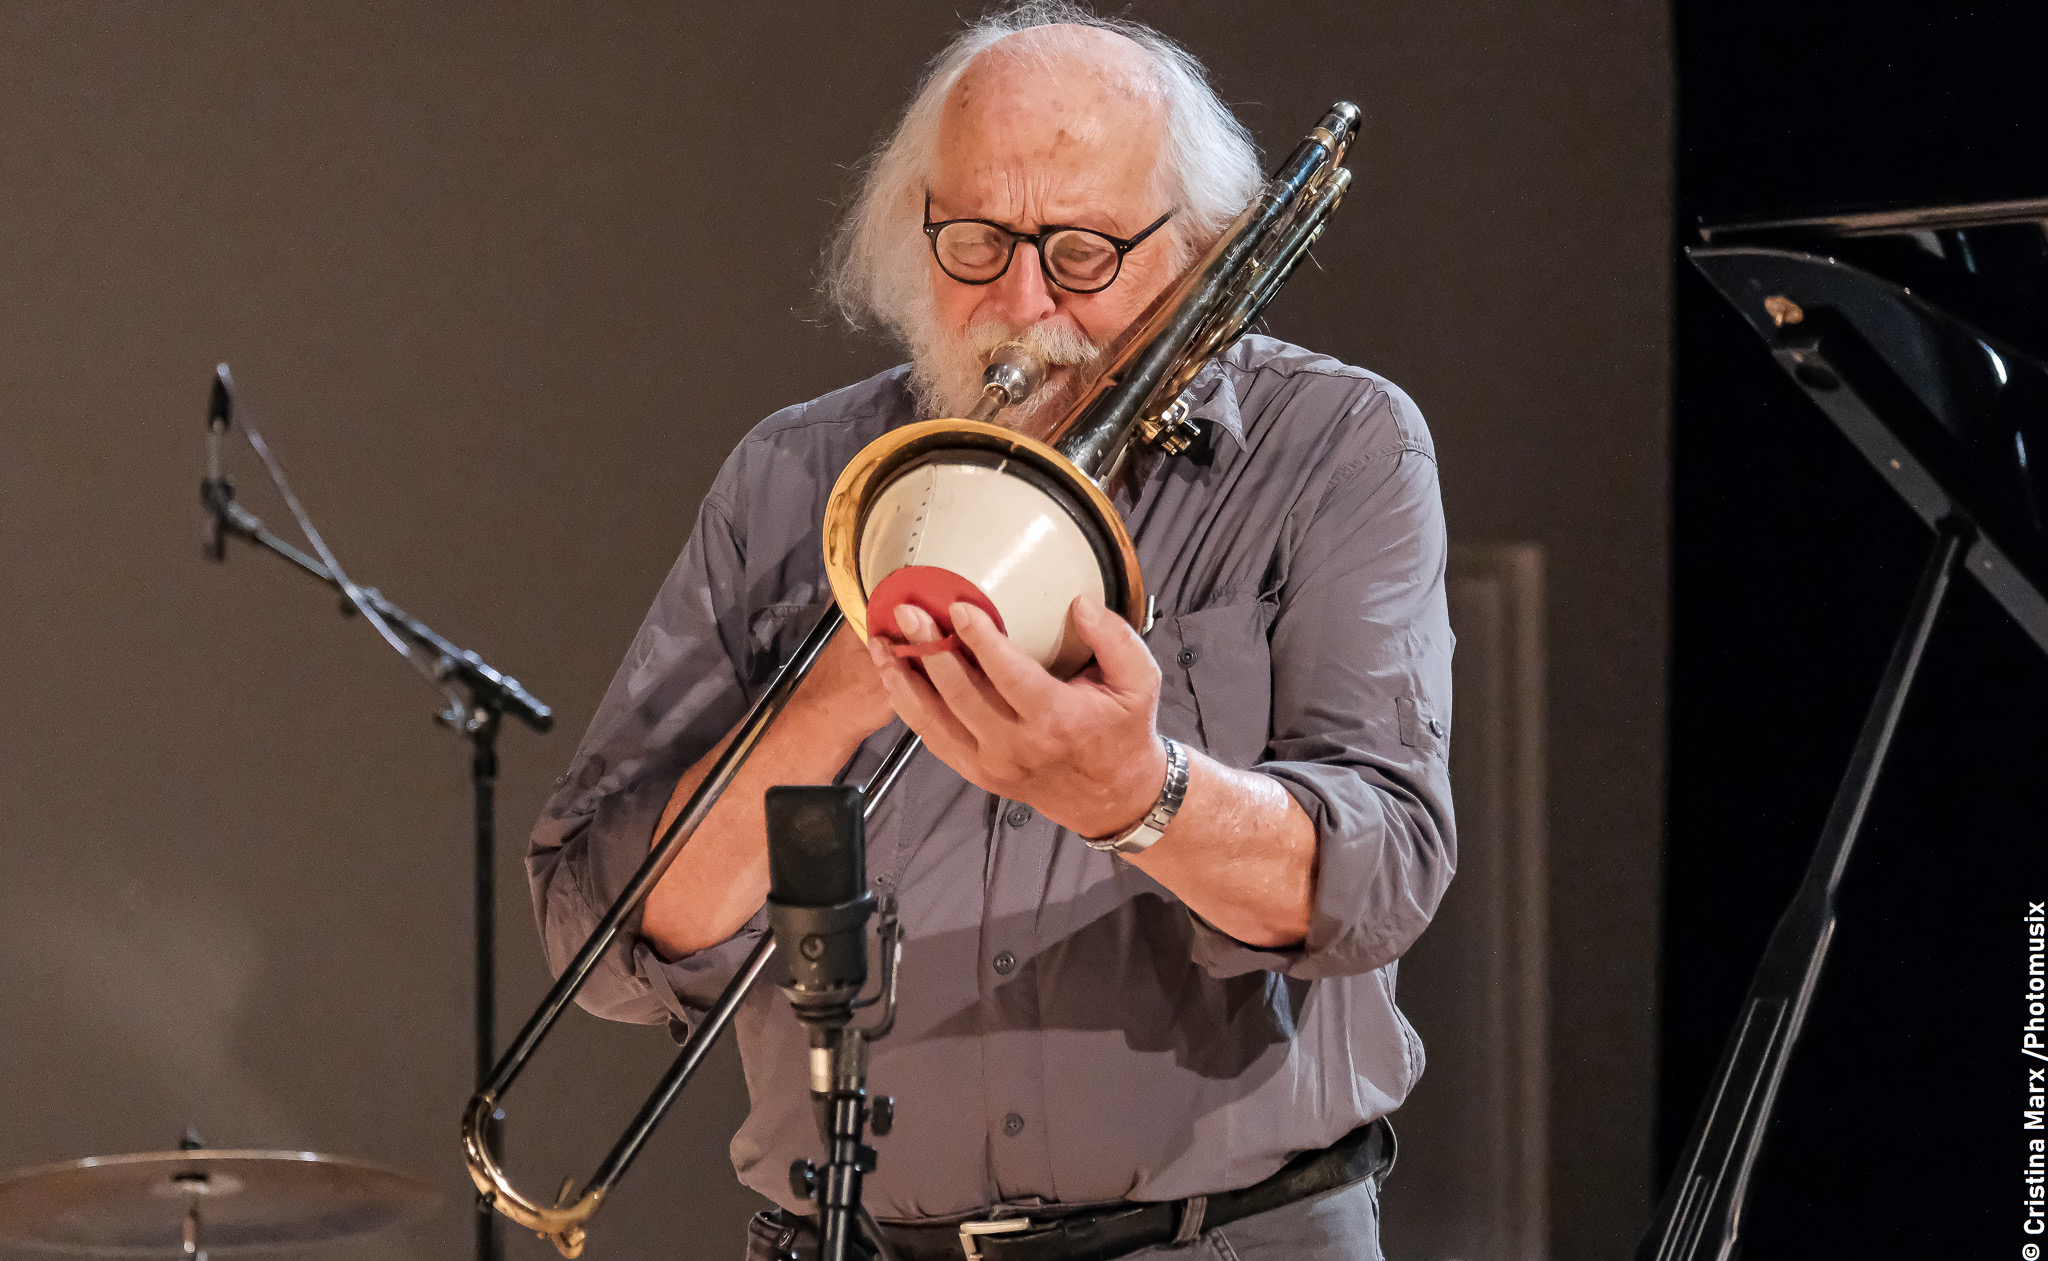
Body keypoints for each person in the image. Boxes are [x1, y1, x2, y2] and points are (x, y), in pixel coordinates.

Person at [527, 6, 1455, 1259]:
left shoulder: (1334, 444)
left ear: (1194, 249)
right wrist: (832, 695)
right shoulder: (791, 478)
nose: (1022, 302)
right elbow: (602, 945)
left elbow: (1383, 877)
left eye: (1081, 251)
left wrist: (1137, 794)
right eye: (973, 242)